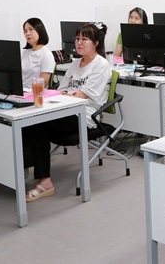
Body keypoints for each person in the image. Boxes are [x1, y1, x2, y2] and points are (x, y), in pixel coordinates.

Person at [22, 22, 111, 202]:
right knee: (29, 123)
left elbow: (84, 95)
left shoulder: (101, 64)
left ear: (96, 43)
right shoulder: (76, 63)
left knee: (38, 126)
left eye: (84, 39)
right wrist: (68, 94)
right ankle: (30, 171)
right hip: (65, 108)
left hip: (85, 114)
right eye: (77, 39)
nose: (79, 42)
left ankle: (45, 182)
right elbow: (62, 90)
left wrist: (68, 94)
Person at [21, 17, 56, 89]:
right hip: (21, 90)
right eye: (25, 31)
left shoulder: (46, 54)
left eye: (31, 29)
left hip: (34, 92)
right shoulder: (25, 53)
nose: (27, 33)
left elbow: (44, 82)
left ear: (39, 31)